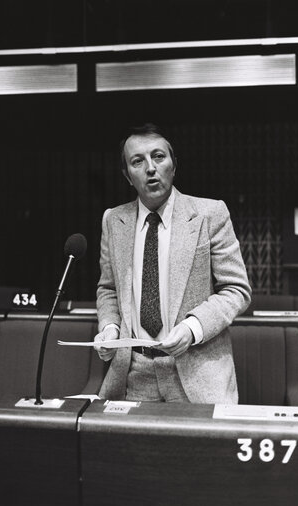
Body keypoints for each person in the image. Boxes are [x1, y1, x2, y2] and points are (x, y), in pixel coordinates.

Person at [94, 123, 251, 403]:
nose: (150, 168)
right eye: (137, 161)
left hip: (196, 373)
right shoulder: (113, 220)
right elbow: (108, 289)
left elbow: (236, 290)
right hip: (133, 372)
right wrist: (109, 328)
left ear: (174, 165)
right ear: (127, 176)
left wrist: (193, 327)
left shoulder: (209, 214)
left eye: (158, 156)